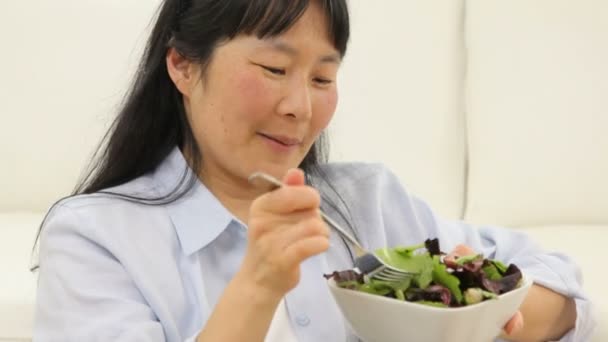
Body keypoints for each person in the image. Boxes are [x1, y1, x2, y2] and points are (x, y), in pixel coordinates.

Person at [33, 0, 595, 341]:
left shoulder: (367, 205)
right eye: (274, 68)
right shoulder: (95, 237)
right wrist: (257, 285)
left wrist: (486, 314)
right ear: (182, 66)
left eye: (323, 79)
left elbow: (563, 288)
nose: (301, 108)